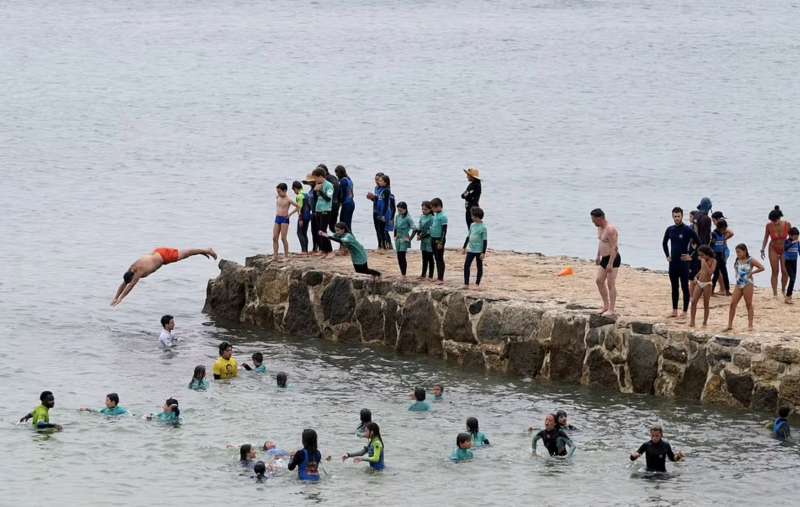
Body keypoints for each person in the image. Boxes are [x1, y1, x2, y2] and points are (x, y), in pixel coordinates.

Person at [111, 247, 217, 306]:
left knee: (186, 254)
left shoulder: (138, 271)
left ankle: (206, 250)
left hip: (164, 256)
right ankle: (203, 251)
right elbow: (124, 284)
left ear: (133, 276)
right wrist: (116, 297)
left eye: (132, 280)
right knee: (186, 254)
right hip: (158, 252)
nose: (132, 281)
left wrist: (120, 299)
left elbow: (130, 286)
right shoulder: (131, 269)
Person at [662, 207, 699, 318]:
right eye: (675, 216)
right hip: (673, 263)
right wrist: (667, 256)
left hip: (684, 264)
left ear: (682, 216)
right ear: (672, 216)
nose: (677, 218)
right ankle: (674, 311)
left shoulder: (687, 230)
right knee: (674, 287)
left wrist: (691, 256)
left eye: (678, 216)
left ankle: (685, 311)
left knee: (684, 287)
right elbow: (664, 243)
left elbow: (699, 243)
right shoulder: (670, 229)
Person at [724, 244, 765, 332]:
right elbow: (736, 270)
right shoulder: (737, 260)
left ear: (745, 251)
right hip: (738, 284)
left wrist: (752, 273)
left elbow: (762, 268)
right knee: (732, 304)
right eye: (736, 252)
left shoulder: (750, 260)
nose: (737, 254)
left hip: (748, 284)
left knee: (748, 304)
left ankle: (750, 325)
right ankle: (729, 325)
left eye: (739, 252)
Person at [591, 208, 621, 317]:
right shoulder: (599, 228)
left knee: (610, 284)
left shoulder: (610, 229)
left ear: (600, 218)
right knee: (599, 281)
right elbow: (601, 242)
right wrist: (598, 255)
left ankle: (612, 309)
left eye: (594, 219)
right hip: (604, 259)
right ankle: (606, 305)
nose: (592, 222)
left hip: (613, 258)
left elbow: (614, 247)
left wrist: (610, 263)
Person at [761, 206, 792, 297]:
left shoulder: (787, 224)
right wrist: (762, 249)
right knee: (775, 271)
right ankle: (775, 293)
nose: (773, 223)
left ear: (779, 218)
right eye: (772, 221)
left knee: (785, 271)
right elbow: (766, 238)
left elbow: (792, 237)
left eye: (774, 221)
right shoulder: (769, 226)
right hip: (773, 248)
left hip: (785, 249)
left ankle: (783, 290)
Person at [689, 245, 717, 328]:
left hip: (707, 284)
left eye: (702, 255)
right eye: (700, 255)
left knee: (706, 303)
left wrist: (704, 262)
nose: (700, 257)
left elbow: (710, 272)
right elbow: (702, 270)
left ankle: (704, 322)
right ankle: (692, 321)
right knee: (694, 302)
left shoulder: (713, 261)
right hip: (699, 282)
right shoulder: (702, 260)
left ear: (707, 254)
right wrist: (696, 276)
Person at [312, 167, 335, 258]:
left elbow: (328, 198)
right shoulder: (318, 184)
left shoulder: (329, 185)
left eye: (316, 178)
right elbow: (316, 197)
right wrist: (316, 190)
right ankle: (323, 250)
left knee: (323, 231)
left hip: (326, 209)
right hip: (318, 209)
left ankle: (330, 251)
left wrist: (320, 191)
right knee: (319, 231)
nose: (315, 180)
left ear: (321, 176)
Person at [462, 207, 488, 288]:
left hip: (479, 250)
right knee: (466, 265)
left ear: (477, 217)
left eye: (473, 216)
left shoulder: (483, 227)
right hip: (471, 249)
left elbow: (485, 241)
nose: (471, 217)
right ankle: (466, 284)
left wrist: (483, 252)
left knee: (479, 266)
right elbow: (468, 236)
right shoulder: (472, 225)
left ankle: (477, 284)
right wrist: (464, 247)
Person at [273, 183, 298, 260]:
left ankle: (286, 256)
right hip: (277, 218)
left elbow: (298, 207)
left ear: (285, 190)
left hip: (284, 219)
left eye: (279, 191)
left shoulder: (288, 199)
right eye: (277, 191)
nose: (278, 193)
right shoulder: (278, 197)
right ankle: (275, 255)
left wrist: (290, 214)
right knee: (274, 238)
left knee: (283, 238)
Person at [711, 217, 733, 296]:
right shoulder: (714, 234)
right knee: (716, 274)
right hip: (715, 256)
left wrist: (723, 255)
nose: (725, 230)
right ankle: (711, 291)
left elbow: (723, 245)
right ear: (721, 228)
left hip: (721, 255)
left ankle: (727, 291)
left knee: (725, 273)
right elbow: (711, 246)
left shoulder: (722, 234)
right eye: (724, 228)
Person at [394, 202, 416, 278]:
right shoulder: (397, 216)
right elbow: (395, 227)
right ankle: (402, 273)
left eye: (401, 210)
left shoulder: (408, 218)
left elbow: (415, 229)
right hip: (398, 238)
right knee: (398, 256)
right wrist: (395, 235)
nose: (399, 212)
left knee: (402, 256)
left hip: (404, 238)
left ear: (405, 209)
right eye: (398, 210)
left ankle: (404, 274)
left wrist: (410, 238)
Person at [430, 198, 448, 283]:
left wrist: (441, 241)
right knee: (436, 258)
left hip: (439, 239)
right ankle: (438, 277)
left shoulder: (443, 216)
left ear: (439, 207)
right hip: (433, 238)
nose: (432, 209)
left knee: (440, 258)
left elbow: (444, 231)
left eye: (433, 207)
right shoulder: (435, 215)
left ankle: (441, 277)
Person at [366, 173, 387, 248]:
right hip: (375, 210)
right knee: (377, 229)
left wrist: (375, 197)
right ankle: (379, 244)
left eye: (378, 180)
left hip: (382, 211)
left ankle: (386, 245)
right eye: (376, 179)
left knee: (383, 229)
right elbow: (376, 200)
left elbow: (384, 201)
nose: (377, 181)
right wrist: (371, 198)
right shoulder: (376, 188)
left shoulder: (385, 189)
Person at [291, 181, 311, 255]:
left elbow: (299, 208)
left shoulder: (299, 196)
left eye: (293, 190)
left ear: (295, 188)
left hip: (302, 216)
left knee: (299, 233)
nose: (294, 192)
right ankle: (306, 250)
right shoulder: (306, 194)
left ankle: (304, 251)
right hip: (308, 216)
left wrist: (300, 219)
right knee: (304, 233)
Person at [320, 164, 341, 233]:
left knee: (325, 227)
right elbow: (339, 192)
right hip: (336, 204)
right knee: (333, 226)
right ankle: (343, 240)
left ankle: (343, 240)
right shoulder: (334, 177)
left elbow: (328, 196)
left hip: (331, 205)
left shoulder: (327, 181)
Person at [417, 201, 435, 279]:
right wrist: (418, 234)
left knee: (430, 258)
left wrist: (422, 236)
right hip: (423, 240)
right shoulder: (422, 217)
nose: (423, 211)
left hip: (429, 240)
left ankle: (430, 275)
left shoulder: (432, 218)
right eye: (423, 209)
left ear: (430, 209)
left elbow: (431, 231)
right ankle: (423, 274)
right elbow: (419, 227)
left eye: (425, 209)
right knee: (424, 257)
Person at [335, 165, 355, 230]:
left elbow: (342, 194)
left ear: (340, 173)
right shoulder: (349, 179)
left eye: (337, 173)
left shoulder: (343, 181)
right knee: (347, 223)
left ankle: (349, 238)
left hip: (346, 204)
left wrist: (339, 203)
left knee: (343, 224)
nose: (336, 175)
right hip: (351, 202)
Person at [303, 177, 320, 253]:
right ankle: (314, 248)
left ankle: (320, 248)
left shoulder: (316, 190)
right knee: (313, 231)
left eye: (310, 182)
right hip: (312, 213)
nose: (308, 183)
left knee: (318, 231)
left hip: (318, 212)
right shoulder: (311, 190)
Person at [784, 227, 799, 304]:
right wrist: (793, 242)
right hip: (788, 262)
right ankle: (787, 297)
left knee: (793, 279)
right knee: (792, 278)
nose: (796, 238)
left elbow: (799, 251)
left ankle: (789, 297)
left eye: (797, 236)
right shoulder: (787, 241)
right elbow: (785, 248)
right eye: (795, 236)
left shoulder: (797, 242)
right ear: (790, 235)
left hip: (794, 262)